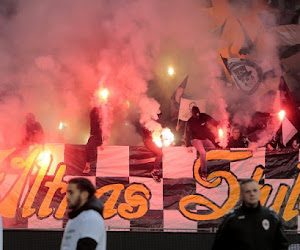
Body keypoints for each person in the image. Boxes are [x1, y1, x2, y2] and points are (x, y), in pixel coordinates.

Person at [212, 179, 289, 250]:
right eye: (248, 191)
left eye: (255, 190)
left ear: (259, 192)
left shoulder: (271, 216)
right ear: (241, 195)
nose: (252, 194)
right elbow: (219, 246)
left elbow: (282, 245)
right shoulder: (232, 219)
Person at [61, 177, 106, 250]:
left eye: (71, 192)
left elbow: (87, 246)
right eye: (67, 193)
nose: (67, 197)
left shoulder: (91, 218)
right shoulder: (77, 218)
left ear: (84, 194)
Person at [185, 106, 218, 179]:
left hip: (205, 139)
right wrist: (188, 145)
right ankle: (204, 172)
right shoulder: (190, 121)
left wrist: (218, 124)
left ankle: (213, 166)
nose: (197, 116)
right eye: (195, 114)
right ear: (193, 114)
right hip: (196, 140)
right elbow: (187, 133)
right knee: (202, 152)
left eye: (198, 114)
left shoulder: (203, 116)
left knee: (214, 148)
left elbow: (212, 120)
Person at [83, 107, 104, 174]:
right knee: (87, 147)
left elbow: (104, 128)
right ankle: (88, 164)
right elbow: (92, 112)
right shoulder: (93, 115)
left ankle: (88, 164)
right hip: (93, 136)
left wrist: (103, 141)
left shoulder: (101, 118)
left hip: (97, 137)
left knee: (88, 147)